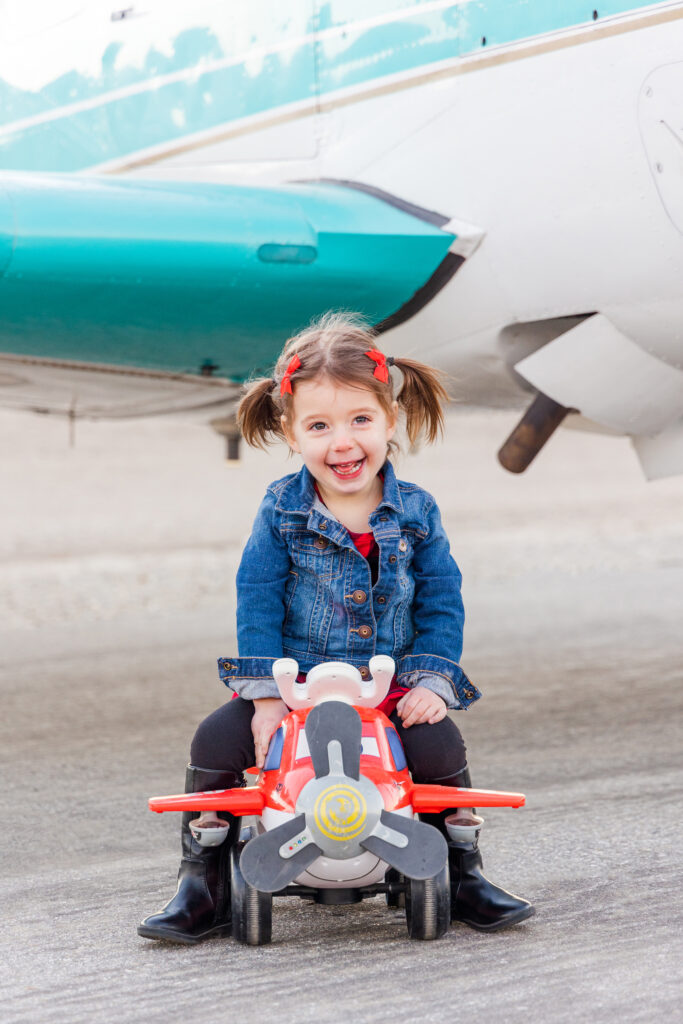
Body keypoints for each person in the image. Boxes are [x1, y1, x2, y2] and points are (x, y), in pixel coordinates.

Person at [138, 313, 534, 944]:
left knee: (442, 751)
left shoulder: (418, 512)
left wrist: (432, 676)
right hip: (296, 685)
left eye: (360, 421)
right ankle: (203, 882)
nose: (342, 443)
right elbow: (258, 598)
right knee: (216, 743)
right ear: (290, 433)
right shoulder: (281, 511)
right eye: (318, 426)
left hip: (390, 685)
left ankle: (462, 872)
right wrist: (265, 693)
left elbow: (441, 597)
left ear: (389, 421)